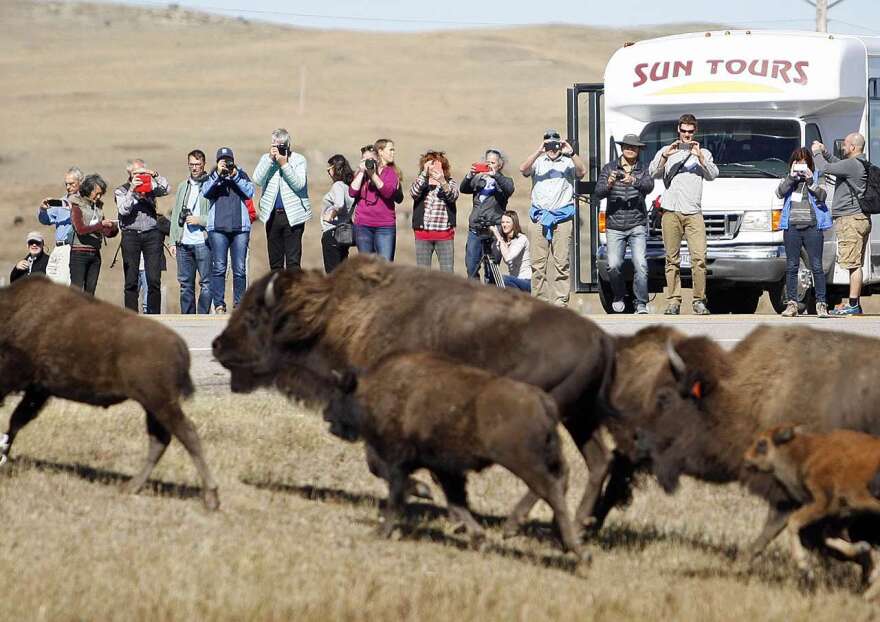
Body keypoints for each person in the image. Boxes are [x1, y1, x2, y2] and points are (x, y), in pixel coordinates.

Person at [649, 113, 718, 315]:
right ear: (678, 130)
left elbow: (714, 175)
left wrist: (701, 158)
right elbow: (652, 173)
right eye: (683, 131)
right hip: (671, 210)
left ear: (695, 131)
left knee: (699, 258)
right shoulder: (666, 150)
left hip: (693, 212)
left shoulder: (702, 152)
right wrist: (664, 156)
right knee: (672, 259)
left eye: (690, 131)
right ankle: (673, 301)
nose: (687, 135)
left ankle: (699, 300)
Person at [519, 129, 586, 307]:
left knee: (562, 262)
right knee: (537, 263)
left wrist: (570, 152)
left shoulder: (568, 162)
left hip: (562, 218)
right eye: (548, 144)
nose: (552, 148)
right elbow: (523, 169)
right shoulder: (539, 162)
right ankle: (540, 301)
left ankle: (560, 302)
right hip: (539, 217)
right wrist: (539, 151)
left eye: (555, 143)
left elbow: (582, 172)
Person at [595, 134, 655, 314]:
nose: (630, 149)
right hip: (614, 224)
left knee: (641, 264)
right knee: (613, 265)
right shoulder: (609, 168)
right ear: (622, 148)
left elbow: (649, 186)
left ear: (639, 150)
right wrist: (610, 183)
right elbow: (598, 192)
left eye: (634, 147)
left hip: (637, 223)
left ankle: (641, 302)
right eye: (627, 146)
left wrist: (634, 181)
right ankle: (619, 295)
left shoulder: (643, 168)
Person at [812, 133, 870, 316]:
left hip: (850, 220)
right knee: (855, 262)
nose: (842, 147)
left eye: (845, 145)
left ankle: (853, 305)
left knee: (853, 264)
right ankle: (854, 303)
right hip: (859, 218)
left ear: (853, 147)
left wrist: (816, 153)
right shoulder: (858, 163)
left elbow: (825, 168)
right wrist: (826, 151)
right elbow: (837, 163)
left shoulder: (851, 164)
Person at [776, 148, 831, 318]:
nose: (801, 165)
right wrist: (791, 177)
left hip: (813, 227)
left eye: (804, 162)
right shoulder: (789, 178)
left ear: (809, 163)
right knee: (792, 266)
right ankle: (792, 304)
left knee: (816, 266)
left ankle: (821, 304)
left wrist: (810, 181)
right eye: (797, 162)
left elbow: (823, 195)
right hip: (792, 226)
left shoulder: (816, 176)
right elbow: (779, 192)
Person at [202, 147, 254, 313]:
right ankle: (219, 304)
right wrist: (218, 174)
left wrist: (234, 176)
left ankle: (239, 304)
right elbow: (205, 192)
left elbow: (250, 192)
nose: (226, 163)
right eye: (222, 160)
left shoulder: (241, 174)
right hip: (217, 228)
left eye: (228, 160)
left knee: (239, 269)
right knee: (219, 267)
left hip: (240, 228)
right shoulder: (213, 175)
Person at [114, 159, 170, 314]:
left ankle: (154, 315)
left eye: (142, 172)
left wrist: (155, 175)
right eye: (136, 173)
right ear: (129, 174)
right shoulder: (121, 190)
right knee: (131, 280)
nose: (139, 176)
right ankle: (131, 316)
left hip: (152, 234)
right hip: (131, 235)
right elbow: (124, 210)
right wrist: (133, 189)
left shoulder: (150, 188)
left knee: (154, 279)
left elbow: (166, 189)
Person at [253, 128, 311, 271]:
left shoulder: (298, 160)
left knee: (293, 262)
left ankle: (294, 292)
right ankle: (278, 293)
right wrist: (269, 160)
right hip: (272, 216)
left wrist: (284, 164)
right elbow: (257, 180)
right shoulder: (266, 160)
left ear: (288, 144)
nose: (278, 149)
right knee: (275, 263)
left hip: (293, 216)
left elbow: (299, 184)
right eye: (275, 145)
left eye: (281, 145)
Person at [461, 148, 515, 280]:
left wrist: (495, 175)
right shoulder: (478, 181)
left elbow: (509, 189)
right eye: (487, 162)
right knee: (471, 266)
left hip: (494, 229)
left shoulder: (505, 181)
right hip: (476, 228)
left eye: (493, 162)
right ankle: (474, 293)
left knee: (492, 267)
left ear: (500, 165)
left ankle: (490, 294)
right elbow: (463, 189)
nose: (489, 165)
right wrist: (470, 175)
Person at [169, 150, 211, 313]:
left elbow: (215, 216)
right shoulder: (182, 186)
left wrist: (199, 220)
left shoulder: (209, 185)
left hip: (203, 241)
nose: (194, 168)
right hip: (183, 243)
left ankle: (202, 317)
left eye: (198, 164)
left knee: (206, 283)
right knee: (185, 285)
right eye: (191, 164)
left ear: (203, 165)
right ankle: (187, 318)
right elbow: (175, 215)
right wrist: (173, 241)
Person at [350, 139, 400, 260]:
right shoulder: (361, 174)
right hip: (363, 225)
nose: (368, 162)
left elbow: (388, 193)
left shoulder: (390, 173)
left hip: (385, 226)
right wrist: (362, 172)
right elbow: (352, 192)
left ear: (377, 159)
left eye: (370, 159)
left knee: (385, 265)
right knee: (366, 265)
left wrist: (373, 175)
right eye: (364, 160)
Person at [411, 150, 459, 272]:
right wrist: (424, 174)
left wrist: (442, 181)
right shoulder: (421, 182)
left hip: (444, 235)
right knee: (423, 274)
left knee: (447, 274)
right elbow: (414, 193)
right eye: (430, 165)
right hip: (422, 235)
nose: (434, 169)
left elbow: (453, 196)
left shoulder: (450, 182)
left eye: (438, 166)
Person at [70, 174, 118, 295]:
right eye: (96, 193)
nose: (99, 196)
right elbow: (80, 229)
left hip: (95, 254)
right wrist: (101, 224)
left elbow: (104, 231)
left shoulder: (98, 208)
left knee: (90, 292)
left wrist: (112, 228)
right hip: (79, 253)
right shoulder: (76, 206)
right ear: (88, 190)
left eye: (101, 194)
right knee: (76, 291)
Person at [38, 166, 81, 285]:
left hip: (72, 247)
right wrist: (42, 210)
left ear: (80, 182)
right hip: (58, 247)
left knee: (65, 285)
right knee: (51, 283)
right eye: (66, 184)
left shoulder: (85, 202)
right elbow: (45, 220)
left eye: (72, 184)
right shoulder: (60, 202)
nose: (68, 187)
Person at [320, 154, 356, 274]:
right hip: (344, 235)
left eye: (329, 169)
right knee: (342, 274)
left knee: (332, 275)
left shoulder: (338, 185)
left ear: (335, 168)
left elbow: (339, 204)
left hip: (332, 233)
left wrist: (330, 215)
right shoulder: (348, 187)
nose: (328, 173)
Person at [490, 211, 531, 291]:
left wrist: (498, 236)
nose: (504, 225)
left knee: (502, 279)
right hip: (514, 281)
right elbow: (494, 258)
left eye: (508, 222)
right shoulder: (503, 241)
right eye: (502, 222)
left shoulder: (521, 239)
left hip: (527, 281)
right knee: (494, 281)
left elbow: (508, 258)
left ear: (514, 224)